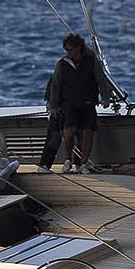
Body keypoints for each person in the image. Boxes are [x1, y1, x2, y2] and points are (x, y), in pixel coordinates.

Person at [47, 33, 113, 174]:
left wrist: (105, 97)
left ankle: (83, 163)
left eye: (71, 49)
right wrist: (54, 105)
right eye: (66, 50)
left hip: (88, 102)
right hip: (69, 104)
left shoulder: (91, 61)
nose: (68, 52)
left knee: (88, 133)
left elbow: (101, 79)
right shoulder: (62, 64)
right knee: (69, 133)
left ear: (79, 48)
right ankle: (67, 160)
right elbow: (56, 85)